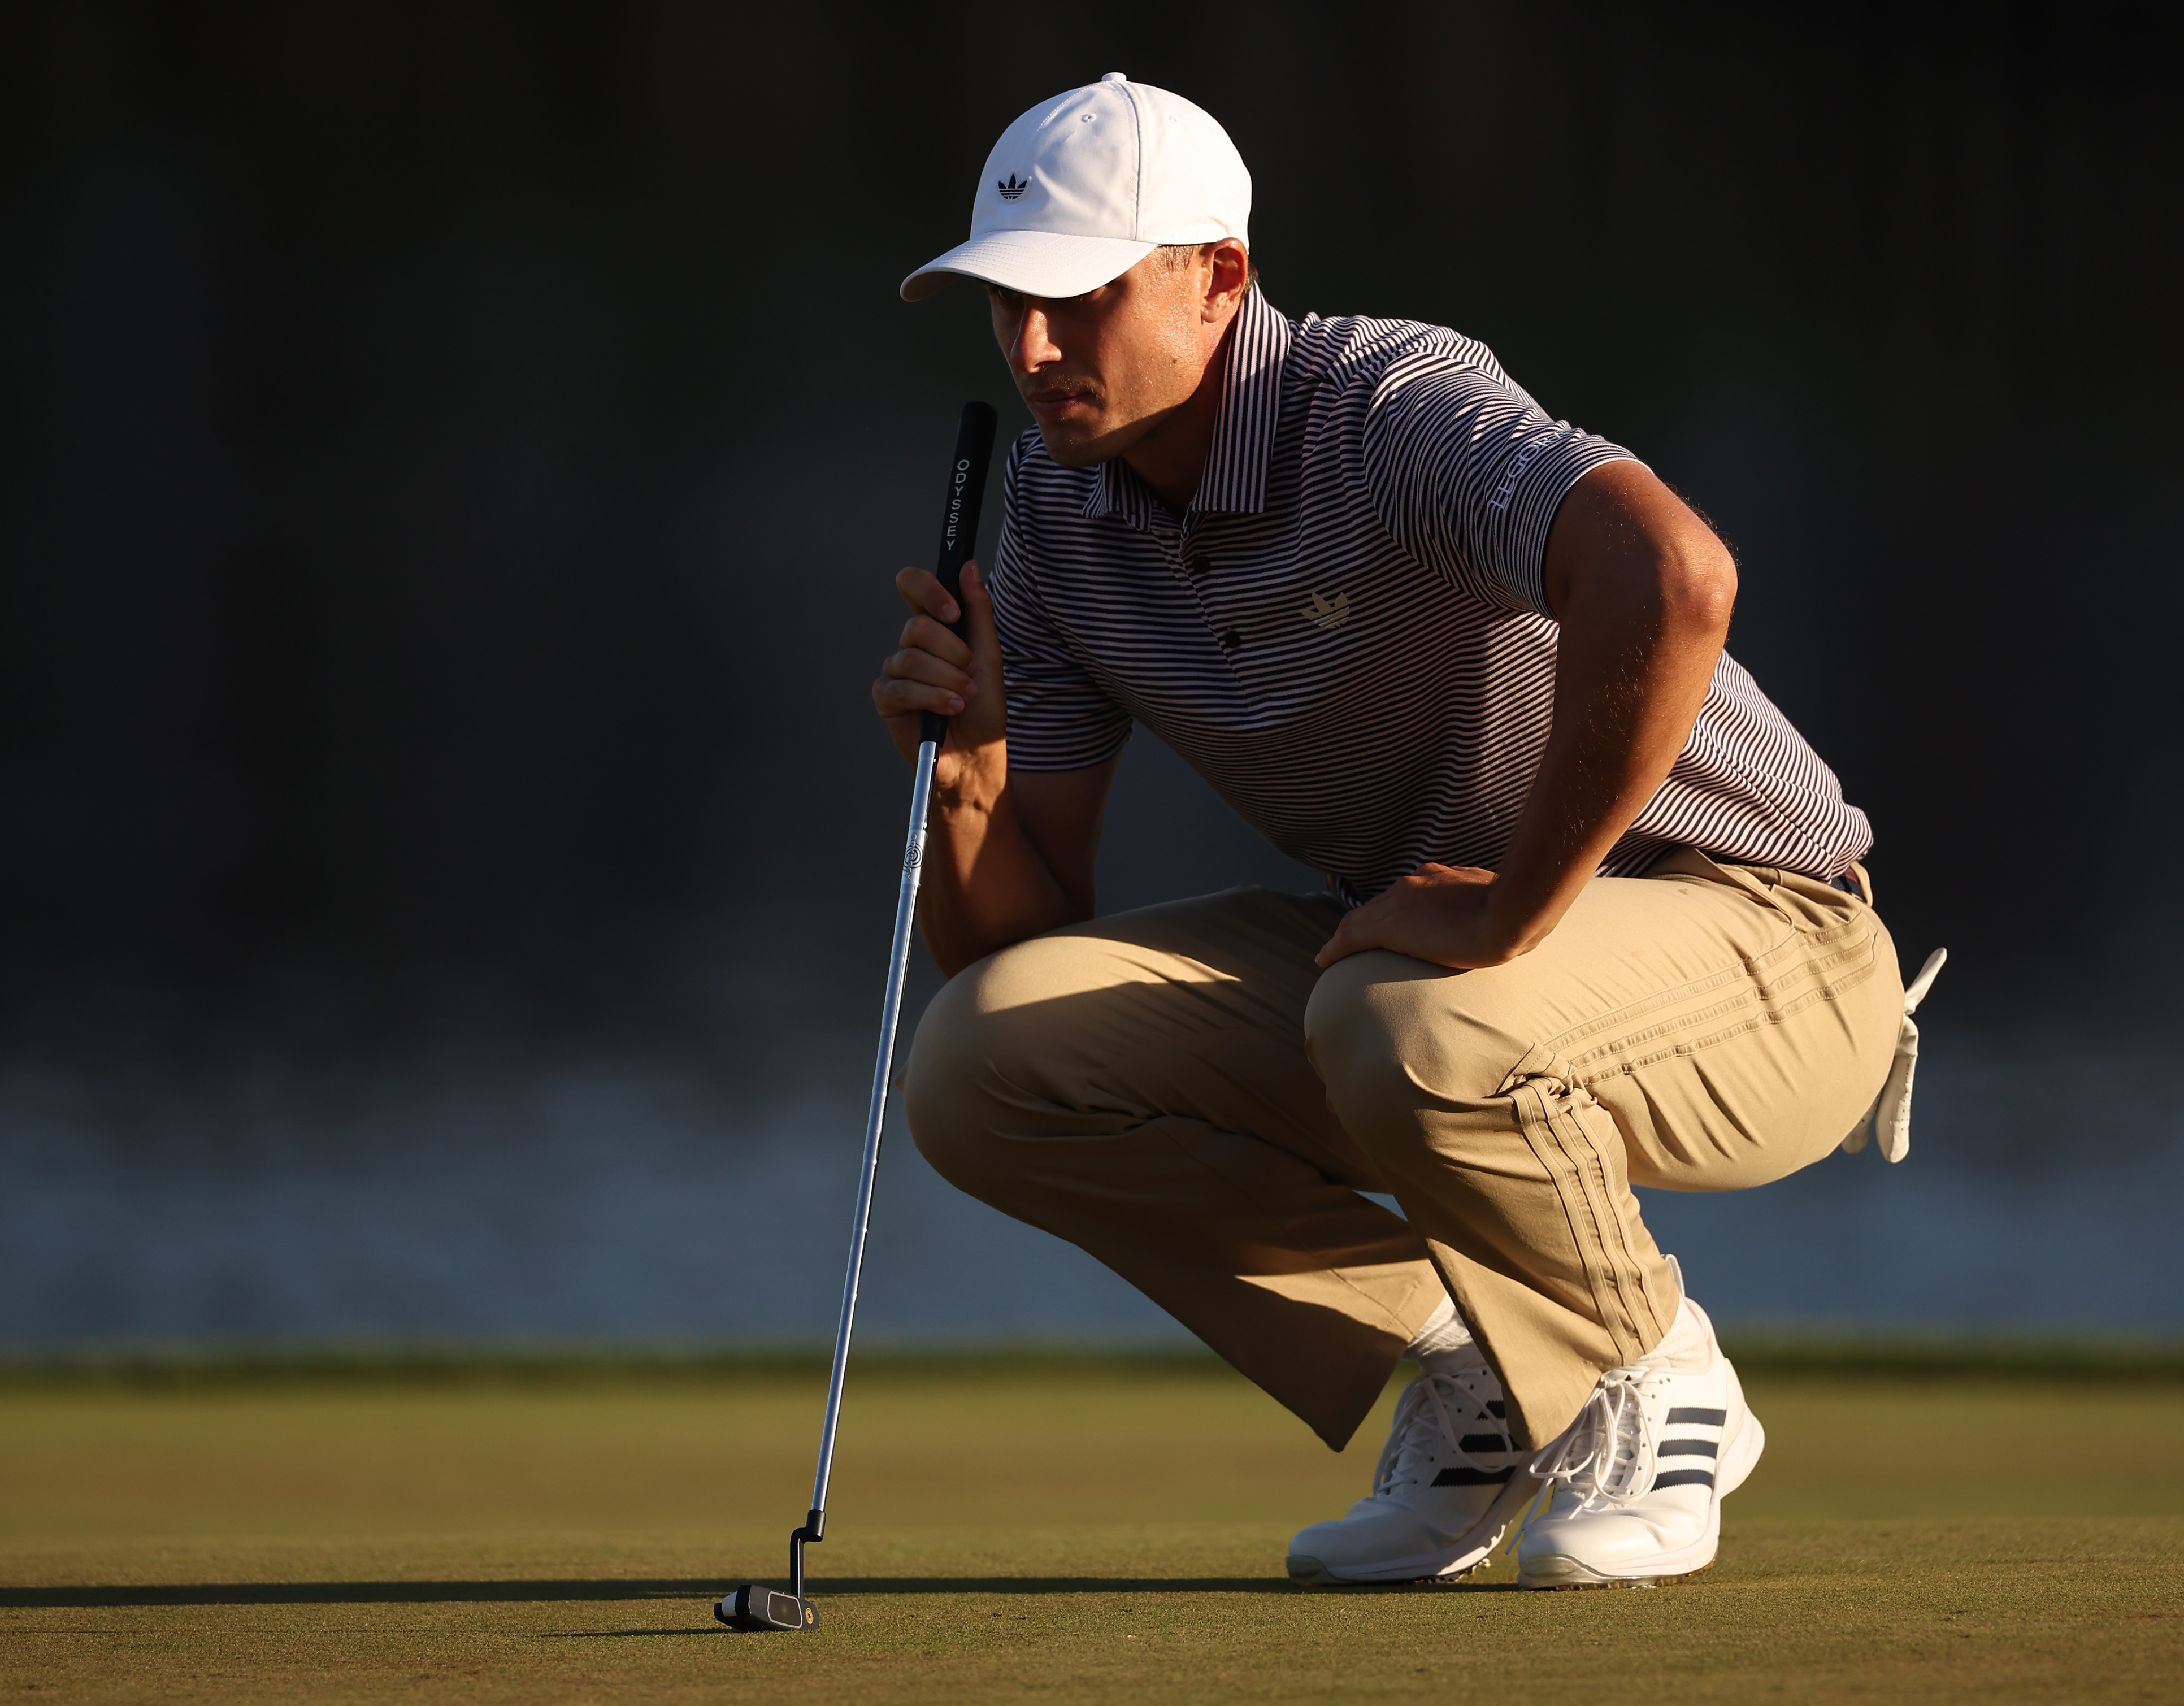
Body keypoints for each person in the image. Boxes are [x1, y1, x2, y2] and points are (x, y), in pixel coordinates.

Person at [874, 73, 1906, 1590]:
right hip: (1434, 980)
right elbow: (1021, 948)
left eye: (1077, 299)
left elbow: (1673, 577)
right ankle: (1479, 1370)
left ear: (1215, 277)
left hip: (1775, 947)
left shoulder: (1382, 404)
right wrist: (967, 773)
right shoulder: (1055, 511)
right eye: (1005, 304)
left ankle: (1651, 1370)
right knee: (984, 1059)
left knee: (1400, 1008)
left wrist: (1508, 912)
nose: (1031, 348)